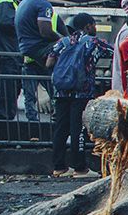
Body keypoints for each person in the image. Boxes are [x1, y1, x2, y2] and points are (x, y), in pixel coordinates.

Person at [44, 13, 103, 177]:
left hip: (61, 91)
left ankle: (59, 167)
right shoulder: (92, 43)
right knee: (79, 130)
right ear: (88, 26)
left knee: (60, 129)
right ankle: (80, 168)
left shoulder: (61, 42)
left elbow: (49, 62)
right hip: (82, 92)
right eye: (94, 24)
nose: (95, 28)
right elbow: (113, 52)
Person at [14, 0, 58, 122]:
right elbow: (45, 31)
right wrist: (63, 40)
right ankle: (60, 113)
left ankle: (36, 118)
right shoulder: (42, 4)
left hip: (28, 49)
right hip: (38, 49)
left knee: (40, 84)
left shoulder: (25, 2)